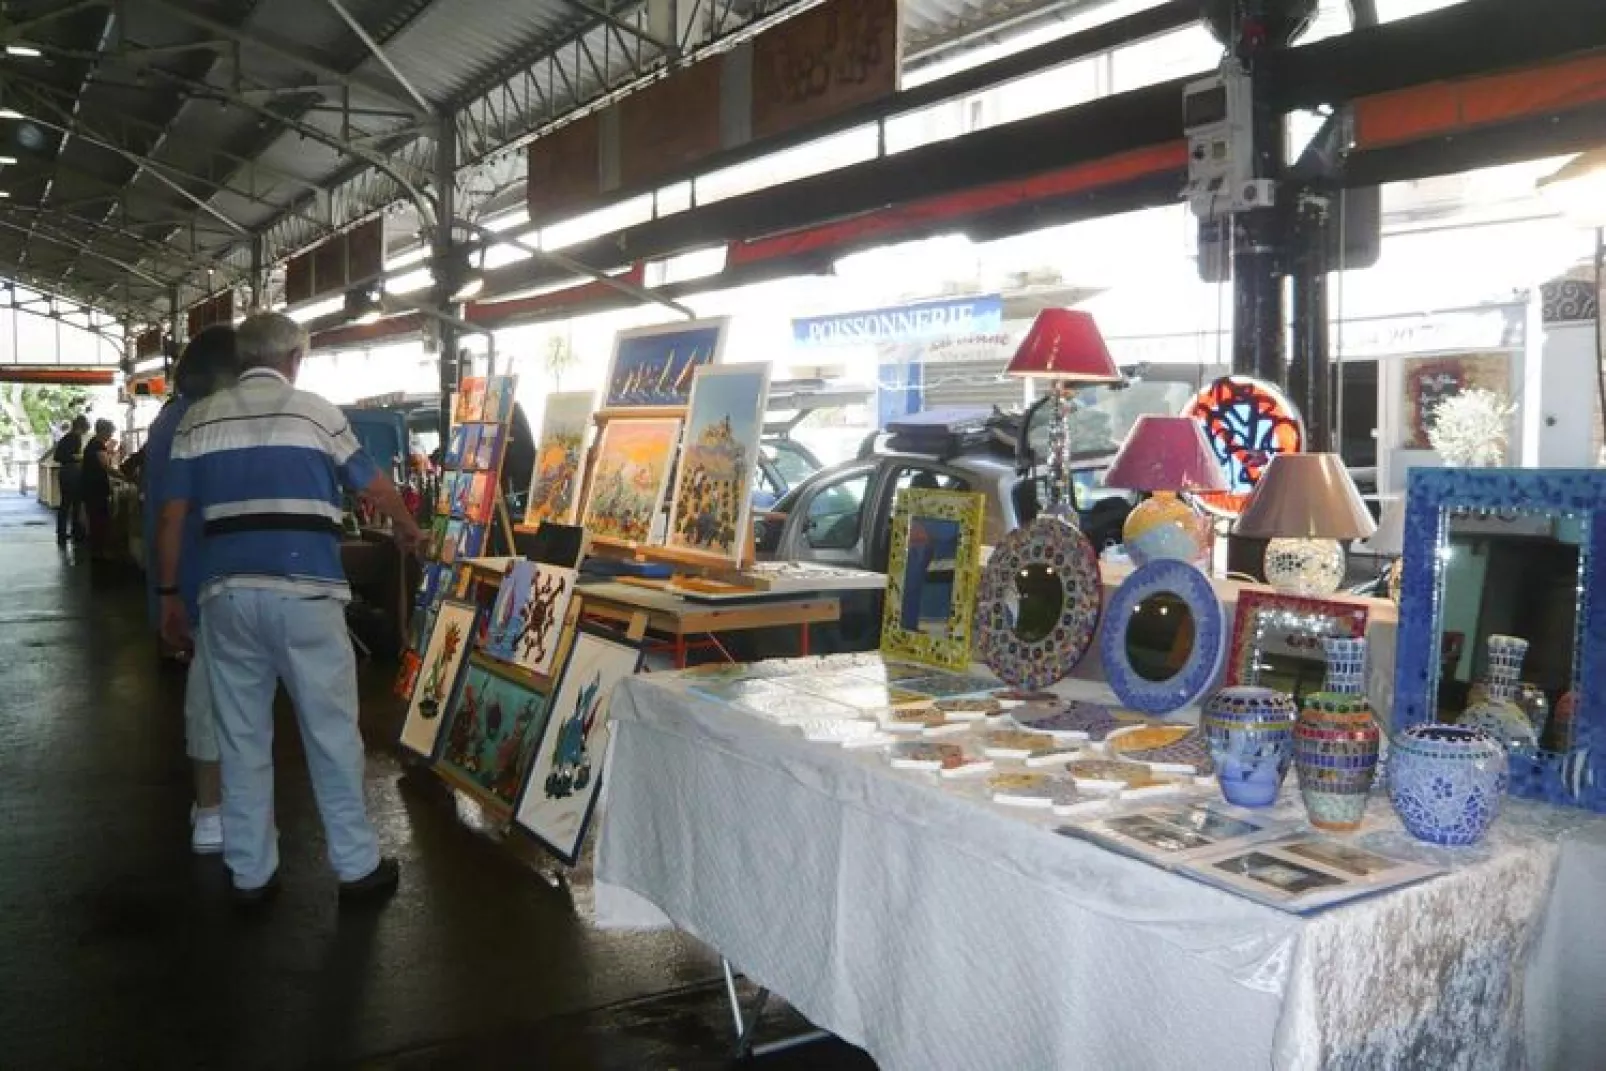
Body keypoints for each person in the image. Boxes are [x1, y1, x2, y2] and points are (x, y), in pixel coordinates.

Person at [157, 312, 425, 906]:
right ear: (294, 359)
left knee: (243, 736)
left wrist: (169, 596)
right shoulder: (315, 412)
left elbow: (173, 516)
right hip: (306, 594)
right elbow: (375, 488)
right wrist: (408, 529)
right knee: (330, 732)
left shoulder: (198, 420)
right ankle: (356, 867)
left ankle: (251, 874)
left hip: (226, 596)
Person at [142, 325, 240, 855]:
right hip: (208, 578)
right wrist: (171, 593)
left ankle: (212, 807)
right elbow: (173, 517)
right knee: (218, 698)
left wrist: (164, 593)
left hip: (191, 578)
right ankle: (214, 811)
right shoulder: (198, 421)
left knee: (213, 694)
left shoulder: (169, 420)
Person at [81, 419, 119, 559]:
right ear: (103, 431)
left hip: (89, 488)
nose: (110, 436)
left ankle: (96, 550)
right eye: (110, 433)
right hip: (96, 489)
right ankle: (100, 552)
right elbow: (106, 466)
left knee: (95, 519)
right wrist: (124, 476)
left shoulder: (92, 444)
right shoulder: (97, 446)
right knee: (100, 519)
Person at [53, 414, 89, 546]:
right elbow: (70, 456)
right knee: (75, 503)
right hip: (72, 472)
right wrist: (78, 458)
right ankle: (75, 531)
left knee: (65, 503)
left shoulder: (66, 438)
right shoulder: (74, 438)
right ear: (81, 427)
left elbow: (57, 456)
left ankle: (61, 532)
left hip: (64, 472)